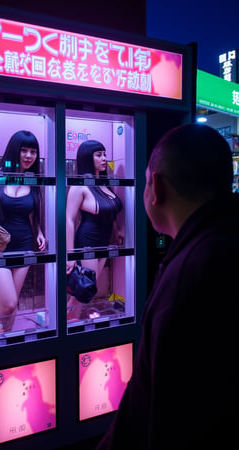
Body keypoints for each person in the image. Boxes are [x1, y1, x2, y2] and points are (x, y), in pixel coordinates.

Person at [97, 123, 237, 449]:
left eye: (145, 181)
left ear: (155, 186)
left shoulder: (188, 276)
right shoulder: (217, 243)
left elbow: (161, 406)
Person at [0, 130, 46, 333]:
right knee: (8, 302)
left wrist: (39, 232)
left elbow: (33, 214)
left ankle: (6, 341)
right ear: (14, 150)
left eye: (33, 151)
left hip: (24, 245)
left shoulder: (33, 179)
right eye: (24, 150)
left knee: (12, 305)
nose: (28, 156)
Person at [66, 140, 123, 320]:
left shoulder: (105, 184)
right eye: (98, 155)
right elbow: (68, 219)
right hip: (87, 243)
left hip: (104, 243)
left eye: (105, 154)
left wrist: (119, 230)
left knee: (86, 290)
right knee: (84, 290)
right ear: (86, 158)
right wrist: (70, 254)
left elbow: (111, 212)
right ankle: (66, 324)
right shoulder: (80, 185)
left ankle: (70, 323)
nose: (104, 159)